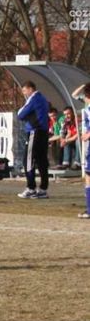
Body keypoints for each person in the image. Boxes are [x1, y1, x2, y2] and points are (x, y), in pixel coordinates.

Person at [16, 81, 50, 199]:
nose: (24, 94)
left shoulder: (34, 99)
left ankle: (31, 188)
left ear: (31, 89)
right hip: (44, 132)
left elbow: (21, 114)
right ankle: (43, 189)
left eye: (25, 91)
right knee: (42, 160)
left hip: (34, 131)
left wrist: (26, 116)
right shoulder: (43, 99)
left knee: (28, 160)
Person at [72, 83, 90, 219]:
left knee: (88, 176)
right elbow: (74, 95)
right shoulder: (86, 105)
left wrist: (88, 134)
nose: (84, 98)